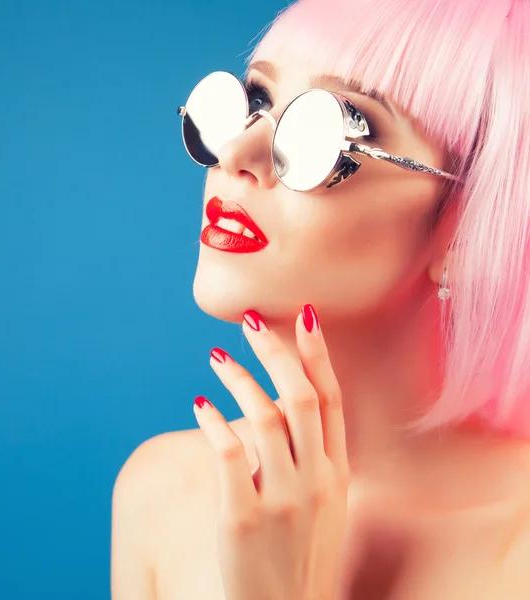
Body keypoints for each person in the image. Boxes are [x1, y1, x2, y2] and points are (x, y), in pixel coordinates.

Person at [111, 0, 530, 598]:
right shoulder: (162, 494)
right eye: (255, 100)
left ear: (466, 228)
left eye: (332, 127)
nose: (235, 156)